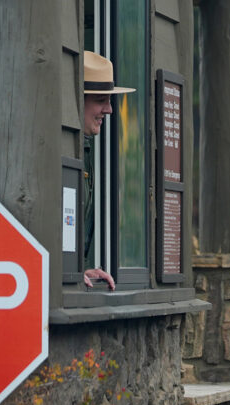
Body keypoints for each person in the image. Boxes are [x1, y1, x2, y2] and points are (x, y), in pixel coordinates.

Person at [83, 51, 134, 291]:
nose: (110, 110)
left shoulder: (83, 150)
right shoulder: (59, 150)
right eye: (101, 100)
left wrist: (79, 268)